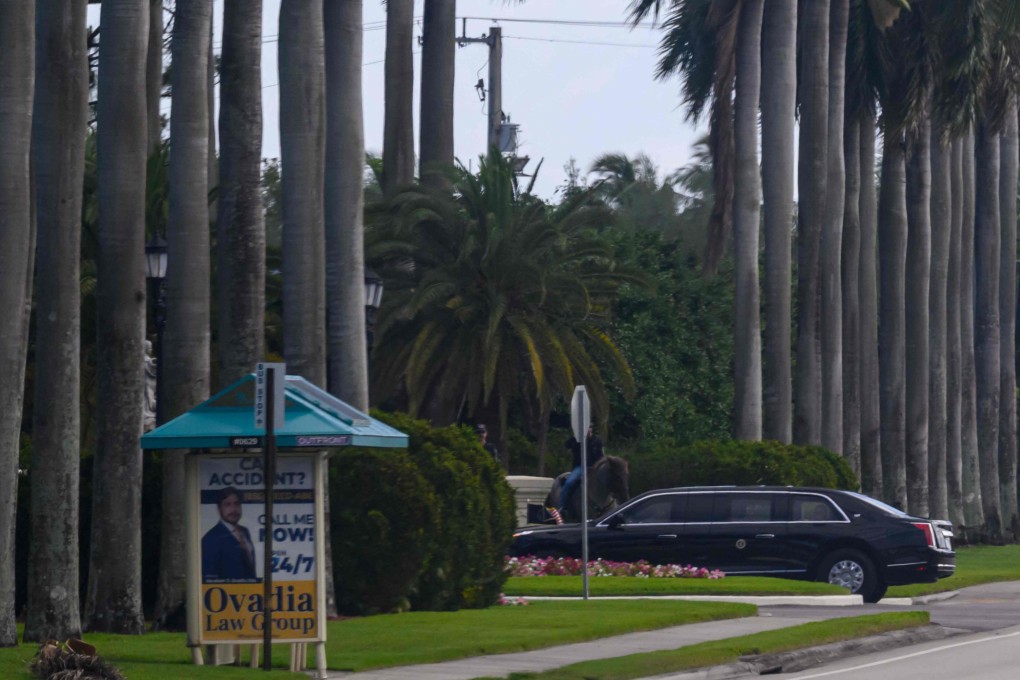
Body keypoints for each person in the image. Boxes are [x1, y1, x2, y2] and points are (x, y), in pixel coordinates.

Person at [201, 486, 257, 581]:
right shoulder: (211, 539)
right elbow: (209, 577)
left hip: (251, 593)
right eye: (227, 504)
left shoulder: (245, 532)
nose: (233, 509)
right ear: (219, 509)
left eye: (237, 504)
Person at [557, 425, 605, 517]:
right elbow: (566, 445)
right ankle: (561, 508)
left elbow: (601, 456)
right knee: (569, 483)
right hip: (581, 467)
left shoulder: (597, 441)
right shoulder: (577, 440)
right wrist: (576, 438)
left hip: (595, 467)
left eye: (589, 428)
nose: (588, 430)